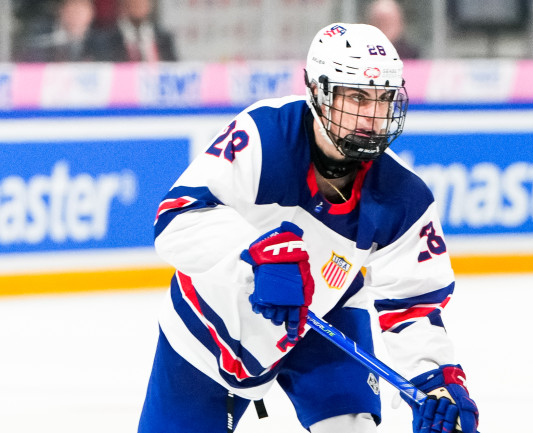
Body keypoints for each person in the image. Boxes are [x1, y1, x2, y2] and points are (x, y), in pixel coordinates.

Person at [138, 23, 478, 433]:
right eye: (357, 97)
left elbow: (413, 305)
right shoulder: (265, 136)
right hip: (210, 324)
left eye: (383, 98)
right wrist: (259, 257)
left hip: (324, 314)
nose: (372, 116)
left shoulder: (403, 198)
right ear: (317, 91)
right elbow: (176, 219)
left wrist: (437, 381)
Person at [13, 0, 102, 62]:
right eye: (73, 7)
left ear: (91, 13)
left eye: (82, 9)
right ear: (61, 10)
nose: (77, 14)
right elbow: (28, 58)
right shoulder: (42, 33)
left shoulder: (100, 41)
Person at [95, 0, 176, 62]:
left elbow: (174, 66)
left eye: (142, 2)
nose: (138, 4)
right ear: (124, 5)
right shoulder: (108, 38)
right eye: (134, 2)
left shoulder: (164, 37)